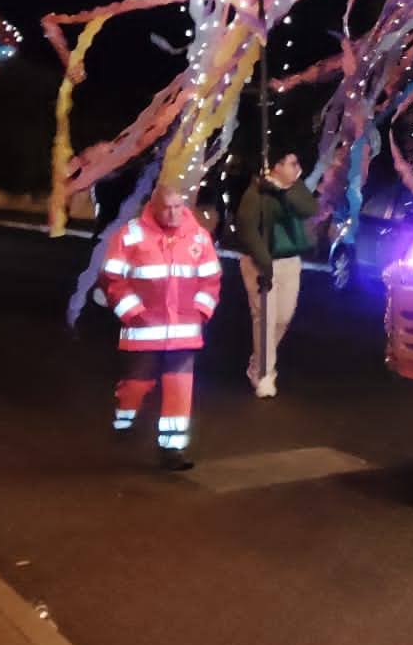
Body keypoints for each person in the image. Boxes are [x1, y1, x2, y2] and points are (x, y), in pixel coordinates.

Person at [99, 183, 224, 470]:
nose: (173, 213)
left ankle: (172, 450)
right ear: (153, 207)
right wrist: (133, 312)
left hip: (184, 332)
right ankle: (124, 415)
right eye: (167, 207)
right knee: (136, 384)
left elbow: (211, 280)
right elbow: (112, 279)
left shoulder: (199, 238)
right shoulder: (131, 235)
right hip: (144, 330)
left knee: (180, 387)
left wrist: (202, 311)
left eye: (179, 206)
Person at [236, 150, 319, 398]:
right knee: (265, 318)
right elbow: (248, 229)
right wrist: (264, 262)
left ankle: (259, 361)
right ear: (276, 166)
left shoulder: (294, 189)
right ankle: (263, 374)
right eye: (292, 163)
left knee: (283, 317)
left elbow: (309, 208)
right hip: (261, 263)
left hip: (290, 262)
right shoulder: (255, 193)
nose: (298, 168)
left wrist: (283, 191)